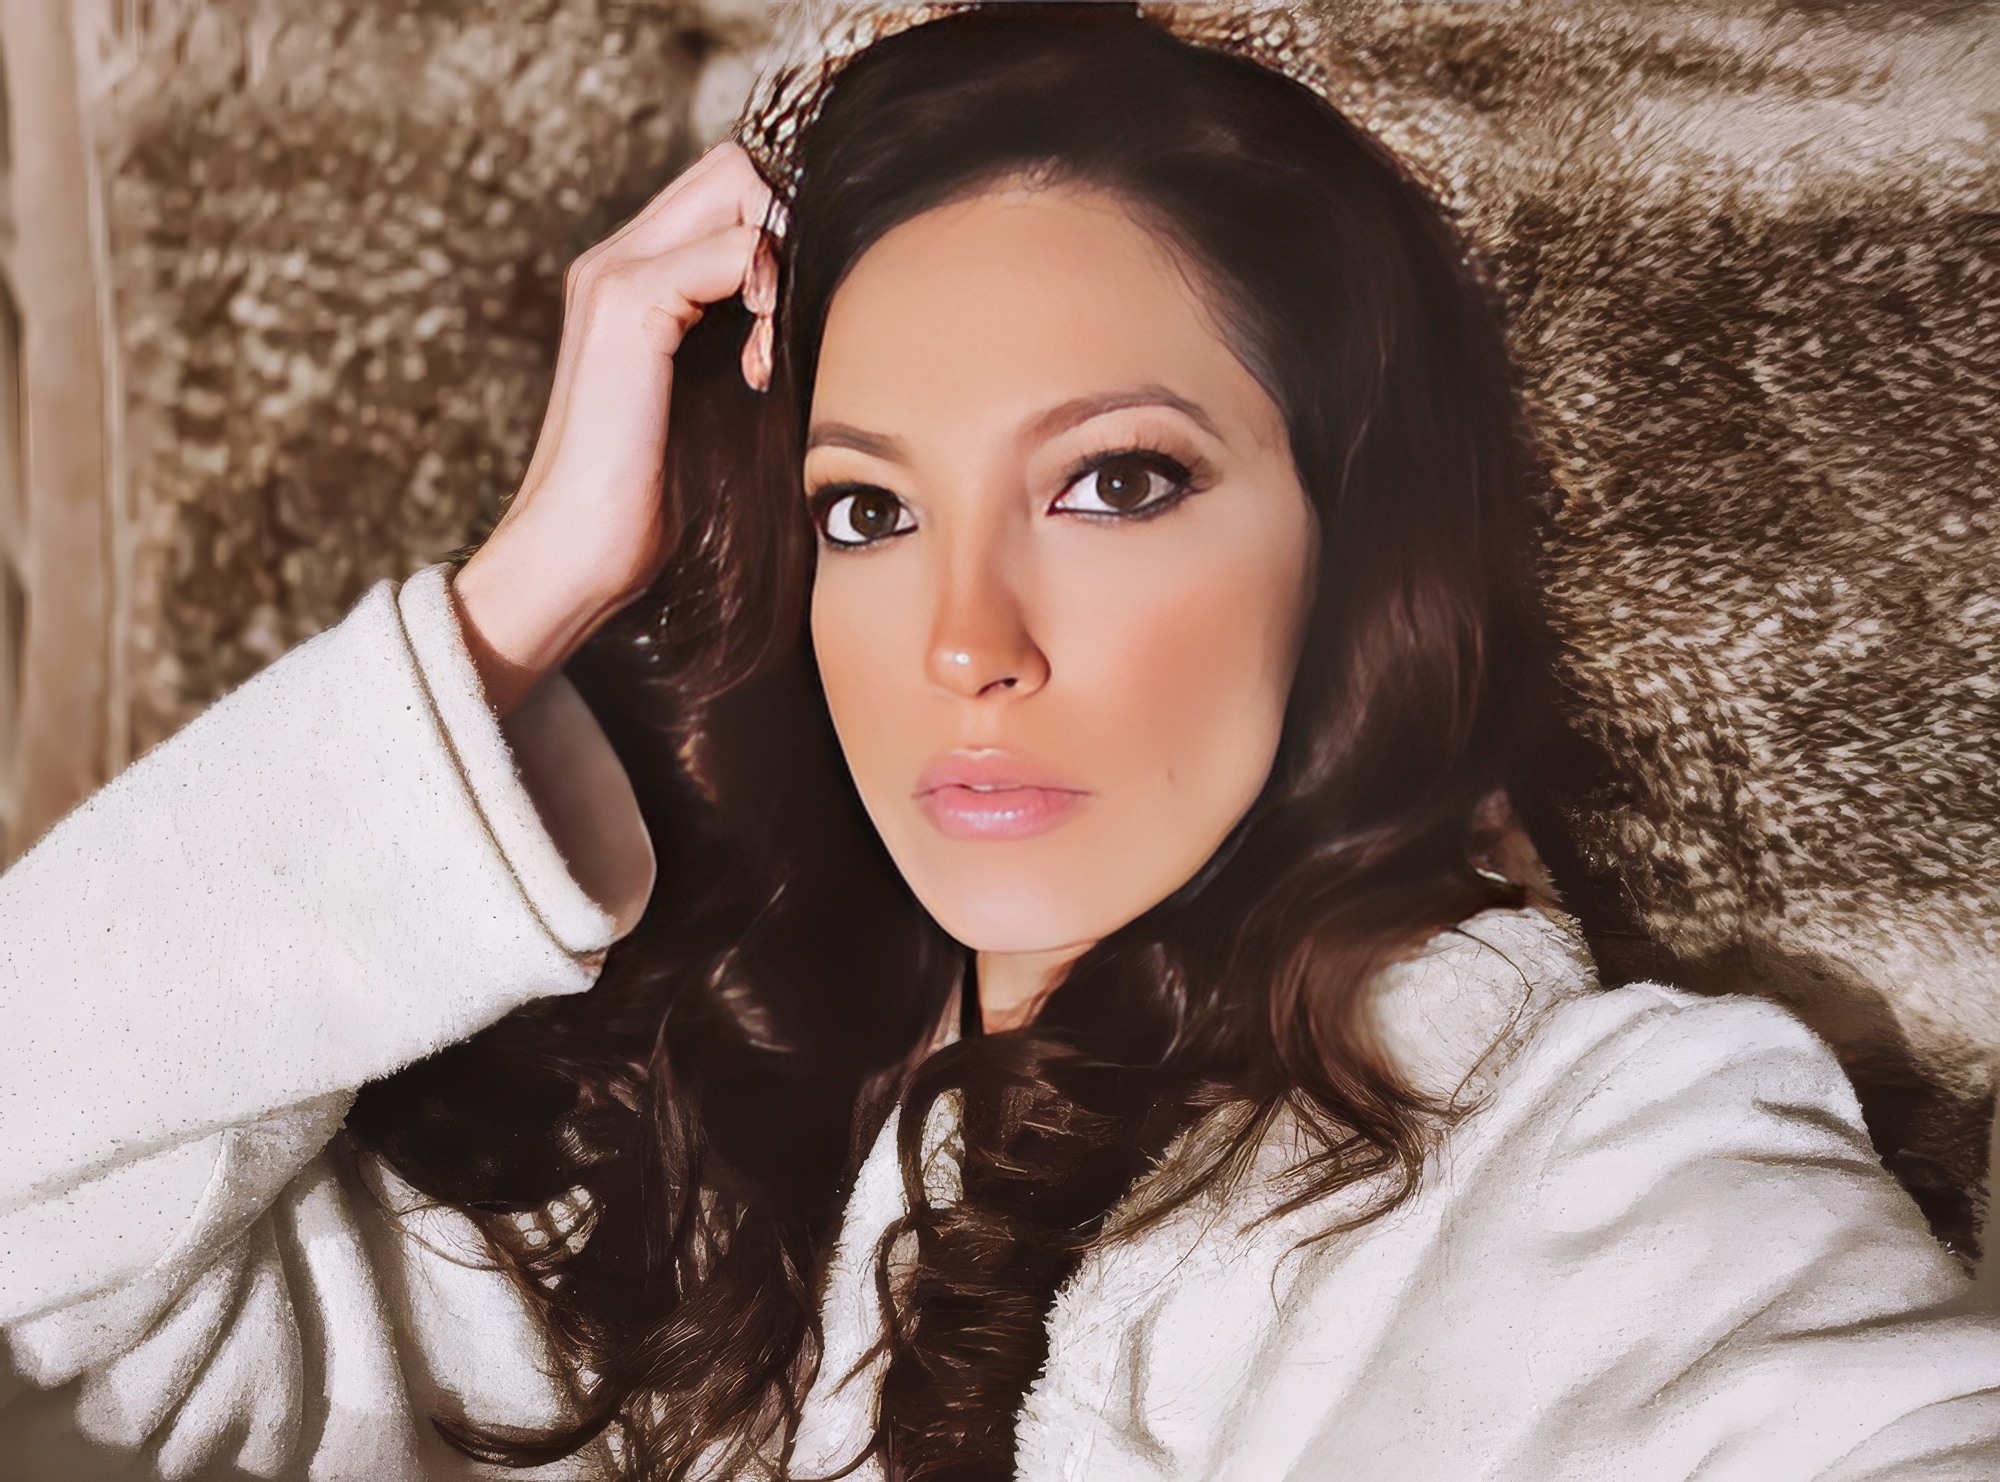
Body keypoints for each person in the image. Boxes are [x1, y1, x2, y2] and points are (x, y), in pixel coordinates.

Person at [3, 6, 1998, 1480]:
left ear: (1347, 540)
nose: (967, 642)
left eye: (1115, 482)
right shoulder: (690, 1192)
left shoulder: (1594, 1154)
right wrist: (524, 590)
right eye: (867, 510)